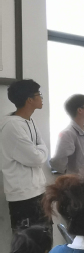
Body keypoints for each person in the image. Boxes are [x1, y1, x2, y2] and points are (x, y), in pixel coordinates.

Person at [0, 79, 49, 231]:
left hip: (38, 191)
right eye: (39, 94)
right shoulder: (12, 126)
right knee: (28, 242)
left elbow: (41, 148)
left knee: (45, 238)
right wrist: (40, 150)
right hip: (23, 196)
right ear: (29, 100)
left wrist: (39, 150)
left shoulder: (29, 120)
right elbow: (36, 158)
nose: (41, 98)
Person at [49, 94, 84, 175]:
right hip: (76, 181)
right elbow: (58, 162)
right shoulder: (68, 134)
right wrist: (71, 174)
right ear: (80, 110)